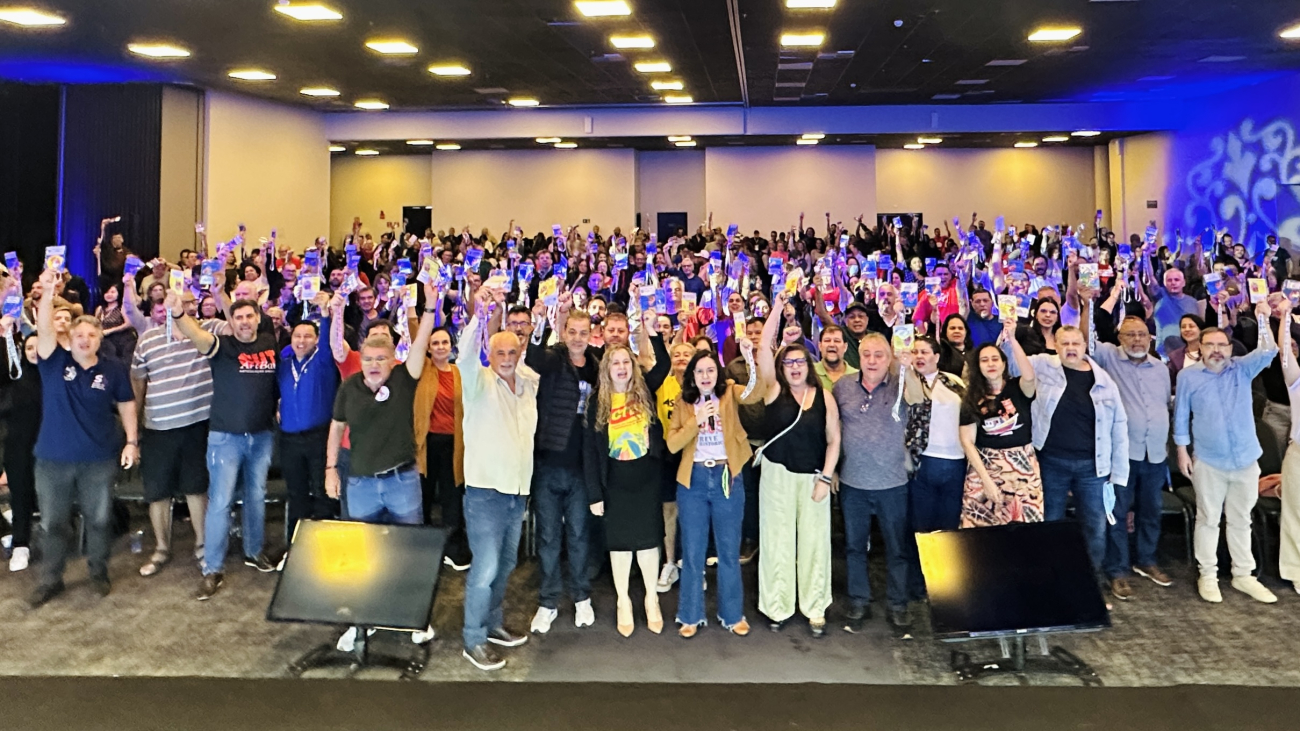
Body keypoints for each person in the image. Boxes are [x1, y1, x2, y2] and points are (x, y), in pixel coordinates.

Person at [325, 283, 436, 650]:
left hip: (401, 480)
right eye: (369, 359)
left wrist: (430, 305)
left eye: (381, 360)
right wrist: (330, 468)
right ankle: (361, 622)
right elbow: (337, 426)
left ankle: (414, 618)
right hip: (359, 483)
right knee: (361, 557)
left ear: (393, 361)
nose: (374, 366)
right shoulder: (350, 387)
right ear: (362, 358)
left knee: (409, 552)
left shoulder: (405, 379)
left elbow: (420, 345)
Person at [28, 268, 138, 608]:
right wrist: (47, 291)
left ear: (100, 338)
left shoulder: (113, 369)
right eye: (80, 335)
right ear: (71, 338)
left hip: (98, 460)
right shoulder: (52, 361)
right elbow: (45, 328)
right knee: (53, 524)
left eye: (92, 335)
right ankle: (51, 579)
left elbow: (127, 403)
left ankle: (98, 571)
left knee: (100, 520)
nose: (85, 340)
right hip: (52, 460)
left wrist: (132, 441)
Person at [170, 292, 280, 601]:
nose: (244, 322)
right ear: (230, 322)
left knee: (257, 497)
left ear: (258, 318)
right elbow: (197, 335)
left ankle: (254, 551)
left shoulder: (270, 343)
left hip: (261, 436)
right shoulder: (223, 347)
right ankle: (213, 568)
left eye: (249, 316)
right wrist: (179, 314)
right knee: (220, 502)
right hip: (225, 438)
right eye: (238, 317)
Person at [1174, 299, 1279, 604]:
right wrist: (1182, 451)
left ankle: (1243, 575)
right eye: (1210, 345)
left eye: (1223, 344)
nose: (1217, 350)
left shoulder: (1242, 370)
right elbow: (1181, 416)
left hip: (1246, 459)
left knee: (1241, 519)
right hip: (1209, 460)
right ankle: (1208, 574)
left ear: (1231, 349)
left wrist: (1263, 319)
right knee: (1208, 519)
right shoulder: (1188, 377)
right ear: (1200, 348)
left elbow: (1270, 351)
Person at [459, 287, 540, 671]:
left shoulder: (527, 384)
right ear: (489, 356)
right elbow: (464, 356)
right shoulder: (477, 383)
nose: (506, 358)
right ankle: (472, 639)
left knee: (506, 565)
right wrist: (481, 313)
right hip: (485, 493)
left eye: (512, 352)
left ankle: (492, 624)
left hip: (516, 493)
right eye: (499, 353)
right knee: (486, 567)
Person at [665, 339, 763, 639]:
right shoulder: (684, 404)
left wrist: (749, 356)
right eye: (699, 372)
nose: (705, 376)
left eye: (710, 371)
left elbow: (756, 392)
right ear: (692, 376)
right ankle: (690, 614)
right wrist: (696, 420)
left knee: (728, 551)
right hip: (693, 481)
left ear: (717, 374)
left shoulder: (730, 394)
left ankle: (732, 615)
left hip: (727, 478)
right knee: (693, 553)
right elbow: (672, 444)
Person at [755, 292, 839, 636]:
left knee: (815, 543)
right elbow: (762, 350)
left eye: (799, 363)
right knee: (776, 541)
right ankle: (777, 606)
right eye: (788, 363)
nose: (793, 368)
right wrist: (776, 307)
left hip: (814, 478)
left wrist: (826, 476)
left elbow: (834, 440)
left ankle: (815, 606)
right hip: (776, 476)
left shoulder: (825, 397)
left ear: (809, 365)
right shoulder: (774, 390)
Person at [1086, 283, 1175, 597]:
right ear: (1119, 338)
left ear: (1150, 338)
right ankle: (1117, 569)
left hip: (1155, 455)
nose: (1137, 339)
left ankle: (1147, 560)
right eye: (1130, 334)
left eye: (1142, 335)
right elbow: (1087, 340)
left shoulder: (1161, 369)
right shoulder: (1108, 358)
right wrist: (1089, 301)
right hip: (1122, 454)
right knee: (1118, 513)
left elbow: (1164, 405)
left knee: (1151, 510)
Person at [1025, 325, 1129, 588]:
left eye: (1076, 343)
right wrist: (1008, 330)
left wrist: (1118, 473)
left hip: (1093, 468)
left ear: (1085, 346)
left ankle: (1088, 581)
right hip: (1050, 463)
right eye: (1064, 343)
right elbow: (1008, 361)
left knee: (1096, 527)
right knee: (1048, 524)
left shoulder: (1104, 381)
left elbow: (1119, 426)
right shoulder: (1042, 366)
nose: (1070, 348)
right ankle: (1046, 580)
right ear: (1055, 346)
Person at [526, 292, 600, 635]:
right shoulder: (554, 358)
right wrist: (540, 321)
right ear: (564, 330)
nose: (577, 338)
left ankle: (582, 596)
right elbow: (532, 357)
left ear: (590, 334)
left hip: (581, 468)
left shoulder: (598, 365)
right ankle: (548, 601)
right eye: (572, 331)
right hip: (548, 463)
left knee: (580, 535)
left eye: (583, 332)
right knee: (549, 537)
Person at [832, 333, 913, 633]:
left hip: (892, 482)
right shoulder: (842, 386)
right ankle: (858, 600)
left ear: (890, 357)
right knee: (854, 547)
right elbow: (832, 429)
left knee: (896, 548)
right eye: (866, 354)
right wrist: (834, 470)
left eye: (879, 354)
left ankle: (898, 604)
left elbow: (918, 397)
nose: (872, 360)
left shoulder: (901, 384)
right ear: (859, 356)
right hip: (853, 481)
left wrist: (907, 367)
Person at [131, 290, 215, 578]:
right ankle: (162, 549)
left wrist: (217, 288)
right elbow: (138, 382)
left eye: (188, 302)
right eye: (173, 302)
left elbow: (234, 321)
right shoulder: (147, 339)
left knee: (196, 488)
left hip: (196, 425)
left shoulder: (207, 330)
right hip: (157, 427)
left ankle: (203, 547)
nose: (180, 305)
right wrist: (136, 428)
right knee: (158, 492)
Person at [583, 344, 666, 636]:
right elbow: (590, 452)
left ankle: (651, 599)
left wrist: (651, 327)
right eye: (615, 363)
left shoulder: (645, 394)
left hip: (645, 478)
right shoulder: (597, 402)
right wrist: (594, 493)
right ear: (607, 369)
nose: (621, 367)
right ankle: (623, 601)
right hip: (614, 481)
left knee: (647, 543)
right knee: (619, 547)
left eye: (626, 363)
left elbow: (665, 363)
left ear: (633, 367)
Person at [958, 321, 1040, 528]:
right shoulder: (971, 397)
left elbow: (1030, 376)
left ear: (1004, 363)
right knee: (980, 532)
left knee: (1024, 530)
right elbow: (967, 442)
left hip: (1023, 465)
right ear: (978, 366)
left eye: (995, 359)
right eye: (984, 360)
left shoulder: (1018, 388)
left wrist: (1011, 338)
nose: (991, 363)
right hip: (986, 465)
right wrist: (986, 480)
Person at [278, 293, 340, 541]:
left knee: (321, 491)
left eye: (307, 336)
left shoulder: (323, 361)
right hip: (289, 439)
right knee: (296, 493)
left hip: (318, 437)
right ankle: (295, 543)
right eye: (297, 336)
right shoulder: (284, 363)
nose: (301, 341)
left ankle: (323, 544)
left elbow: (328, 342)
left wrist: (325, 313)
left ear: (315, 340)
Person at [413, 325, 469, 569]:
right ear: (428, 346)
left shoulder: (459, 372)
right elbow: (415, 331)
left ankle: (453, 547)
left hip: (454, 444)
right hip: (426, 444)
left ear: (451, 346)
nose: (440, 347)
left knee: (452, 497)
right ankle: (423, 547)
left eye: (444, 342)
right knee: (422, 496)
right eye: (435, 343)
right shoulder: (422, 368)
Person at [902, 336, 967, 533]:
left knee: (950, 523)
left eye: (924, 352)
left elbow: (968, 410)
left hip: (955, 459)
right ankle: (920, 564)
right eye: (915, 352)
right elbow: (917, 399)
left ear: (936, 357)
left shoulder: (952, 380)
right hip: (922, 460)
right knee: (921, 524)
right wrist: (906, 369)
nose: (919, 356)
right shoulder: (907, 380)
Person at [653, 341, 696, 592]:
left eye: (686, 354)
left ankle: (692, 565)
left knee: (693, 512)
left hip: (695, 453)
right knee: (669, 510)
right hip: (669, 454)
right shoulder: (663, 385)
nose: (681, 357)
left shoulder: (700, 384)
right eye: (676, 354)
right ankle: (669, 563)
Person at [0, 325, 39, 573]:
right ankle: (20, 543)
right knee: (20, 495)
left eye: (38, 346)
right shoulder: (15, 376)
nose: (34, 351)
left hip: (50, 446)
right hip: (18, 446)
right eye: (29, 347)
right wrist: (5, 336)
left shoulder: (55, 372)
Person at [1276, 316, 1300, 595]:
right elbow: (1284, 353)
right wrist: (1284, 315)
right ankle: (1296, 571)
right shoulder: (1296, 381)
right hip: (1298, 455)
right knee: (1295, 513)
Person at [814, 324, 858, 389]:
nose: (832, 344)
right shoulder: (809, 372)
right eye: (827, 340)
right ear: (820, 346)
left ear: (845, 347)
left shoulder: (857, 376)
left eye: (837, 341)